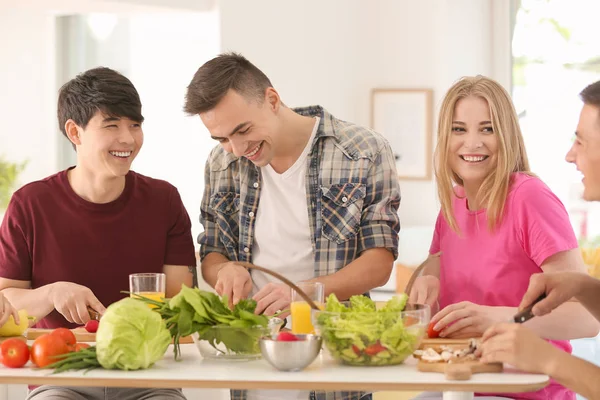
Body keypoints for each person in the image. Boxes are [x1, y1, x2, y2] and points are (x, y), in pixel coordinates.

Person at [185, 52, 400, 400]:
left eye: (243, 130)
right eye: (222, 138)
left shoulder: (363, 151)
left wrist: (303, 292)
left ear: (272, 100)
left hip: (335, 361)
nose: (237, 148)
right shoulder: (221, 163)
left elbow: (379, 262)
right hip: (253, 359)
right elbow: (212, 252)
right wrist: (225, 270)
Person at [0, 67, 197, 400]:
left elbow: (181, 303)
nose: (128, 139)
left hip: (149, 375)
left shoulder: (164, 200)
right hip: (61, 374)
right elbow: (6, 304)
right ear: (75, 132)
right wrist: (52, 293)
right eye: (112, 125)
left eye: (135, 125)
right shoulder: (30, 204)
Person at [408, 75, 599, 400]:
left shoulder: (529, 198)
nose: (472, 143)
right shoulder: (452, 204)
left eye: (487, 128)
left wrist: (495, 318)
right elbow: (433, 274)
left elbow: (586, 318)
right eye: (459, 129)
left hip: (525, 391)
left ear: (507, 135)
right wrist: (425, 285)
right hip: (462, 383)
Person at [479, 79, 600, 400]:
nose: (569, 155)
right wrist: (582, 287)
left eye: (581, 142)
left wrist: (546, 358)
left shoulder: (529, 195)